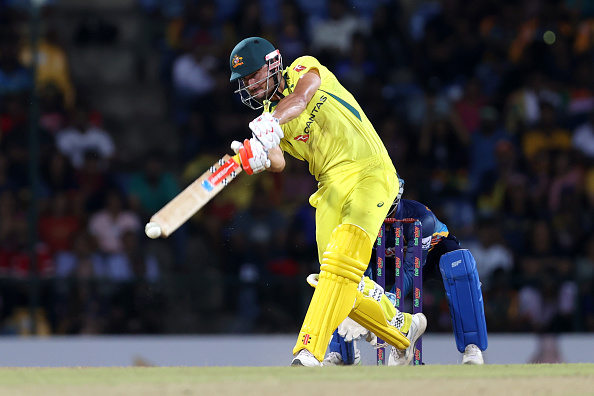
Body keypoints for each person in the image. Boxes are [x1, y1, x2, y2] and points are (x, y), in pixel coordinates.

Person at [227, 36, 426, 366]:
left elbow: (302, 97)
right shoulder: (265, 118)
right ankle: (404, 328)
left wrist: (272, 121)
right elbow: (277, 160)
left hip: (369, 170)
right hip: (330, 188)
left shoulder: (304, 67)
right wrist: (257, 157)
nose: (249, 84)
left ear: (273, 63)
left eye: (252, 75)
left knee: (338, 268)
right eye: (244, 81)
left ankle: (308, 351)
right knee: (335, 279)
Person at [324, 178, 488, 365]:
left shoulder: (420, 218)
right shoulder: (361, 217)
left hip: (429, 257)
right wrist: (368, 300)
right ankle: (343, 354)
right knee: (343, 272)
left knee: (460, 266)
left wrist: (390, 300)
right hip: (388, 262)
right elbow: (364, 265)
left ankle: (472, 349)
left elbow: (413, 268)